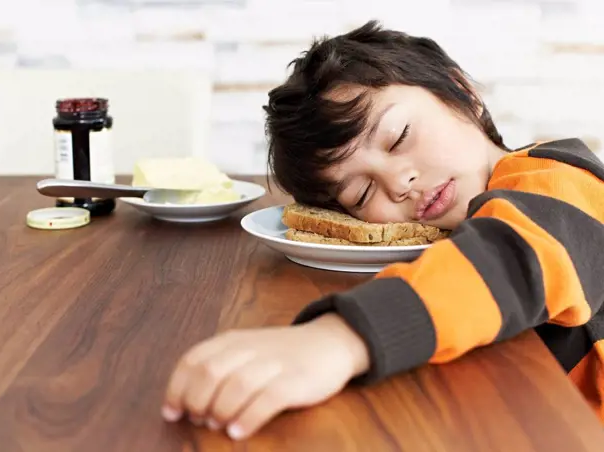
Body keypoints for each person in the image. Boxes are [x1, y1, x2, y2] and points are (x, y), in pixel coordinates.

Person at [161, 20, 604, 440]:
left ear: (464, 94)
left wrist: (337, 339)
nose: (398, 184)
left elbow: (511, 259)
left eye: (398, 137)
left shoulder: (562, 179)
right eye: (361, 193)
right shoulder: (451, 229)